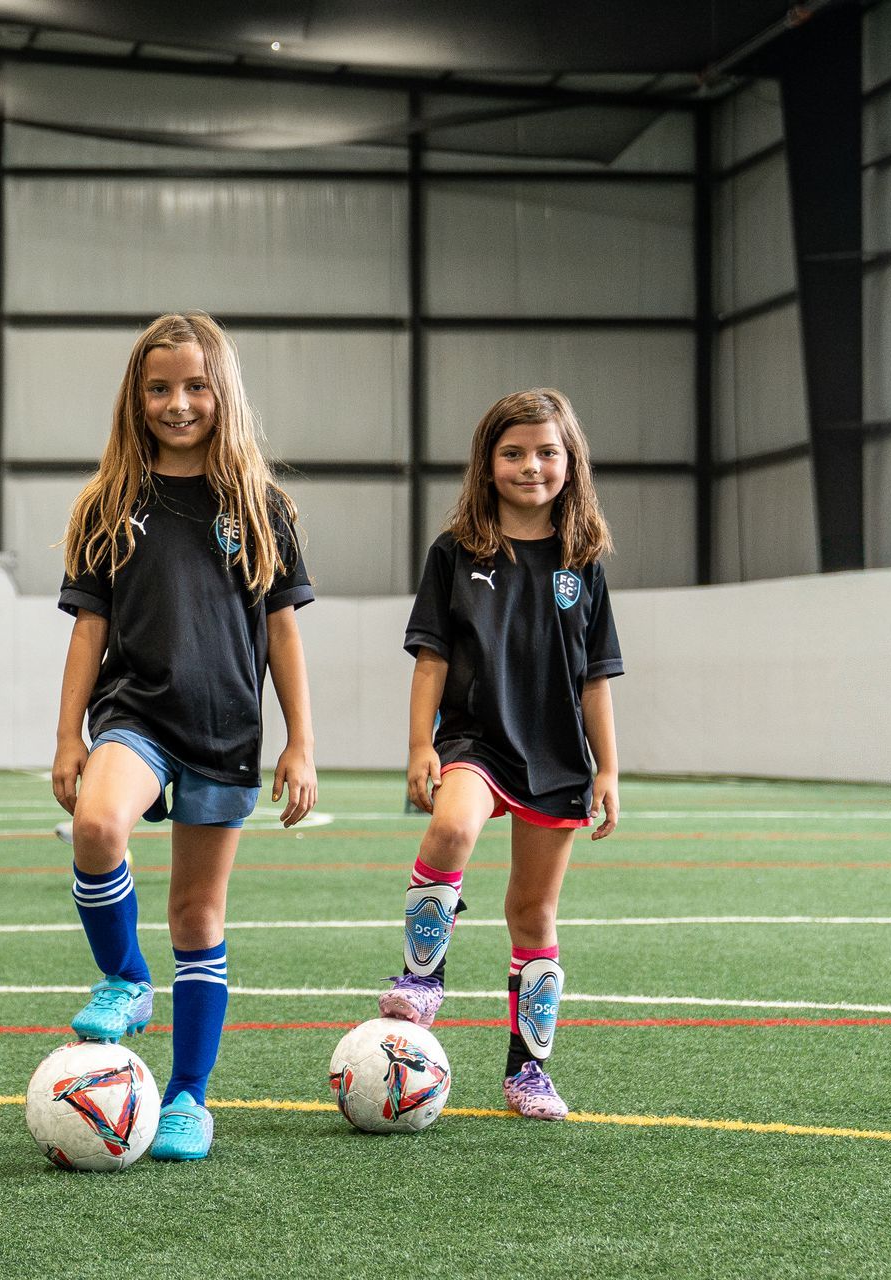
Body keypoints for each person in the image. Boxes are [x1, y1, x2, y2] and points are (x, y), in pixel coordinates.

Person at [51, 312, 319, 1161]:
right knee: (98, 827)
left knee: (198, 915)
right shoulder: (109, 505)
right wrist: (67, 737)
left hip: (226, 727)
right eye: (159, 388)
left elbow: (282, 633)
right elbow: (88, 632)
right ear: (137, 397)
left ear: (223, 393)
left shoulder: (261, 506)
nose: (177, 403)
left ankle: (187, 1097)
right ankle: (127, 977)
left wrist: (301, 742)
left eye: (195, 386)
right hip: (135, 715)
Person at [379, 387, 623, 1121]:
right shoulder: (455, 553)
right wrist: (420, 744)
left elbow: (595, 678)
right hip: (475, 740)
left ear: (569, 463)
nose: (531, 466)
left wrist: (608, 767)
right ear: (487, 465)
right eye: (513, 452)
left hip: (556, 758)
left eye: (547, 452)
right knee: (451, 828)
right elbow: (430, 658)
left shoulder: (584, 563)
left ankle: (528, 1072)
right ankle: (423, 978)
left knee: (534, 914)